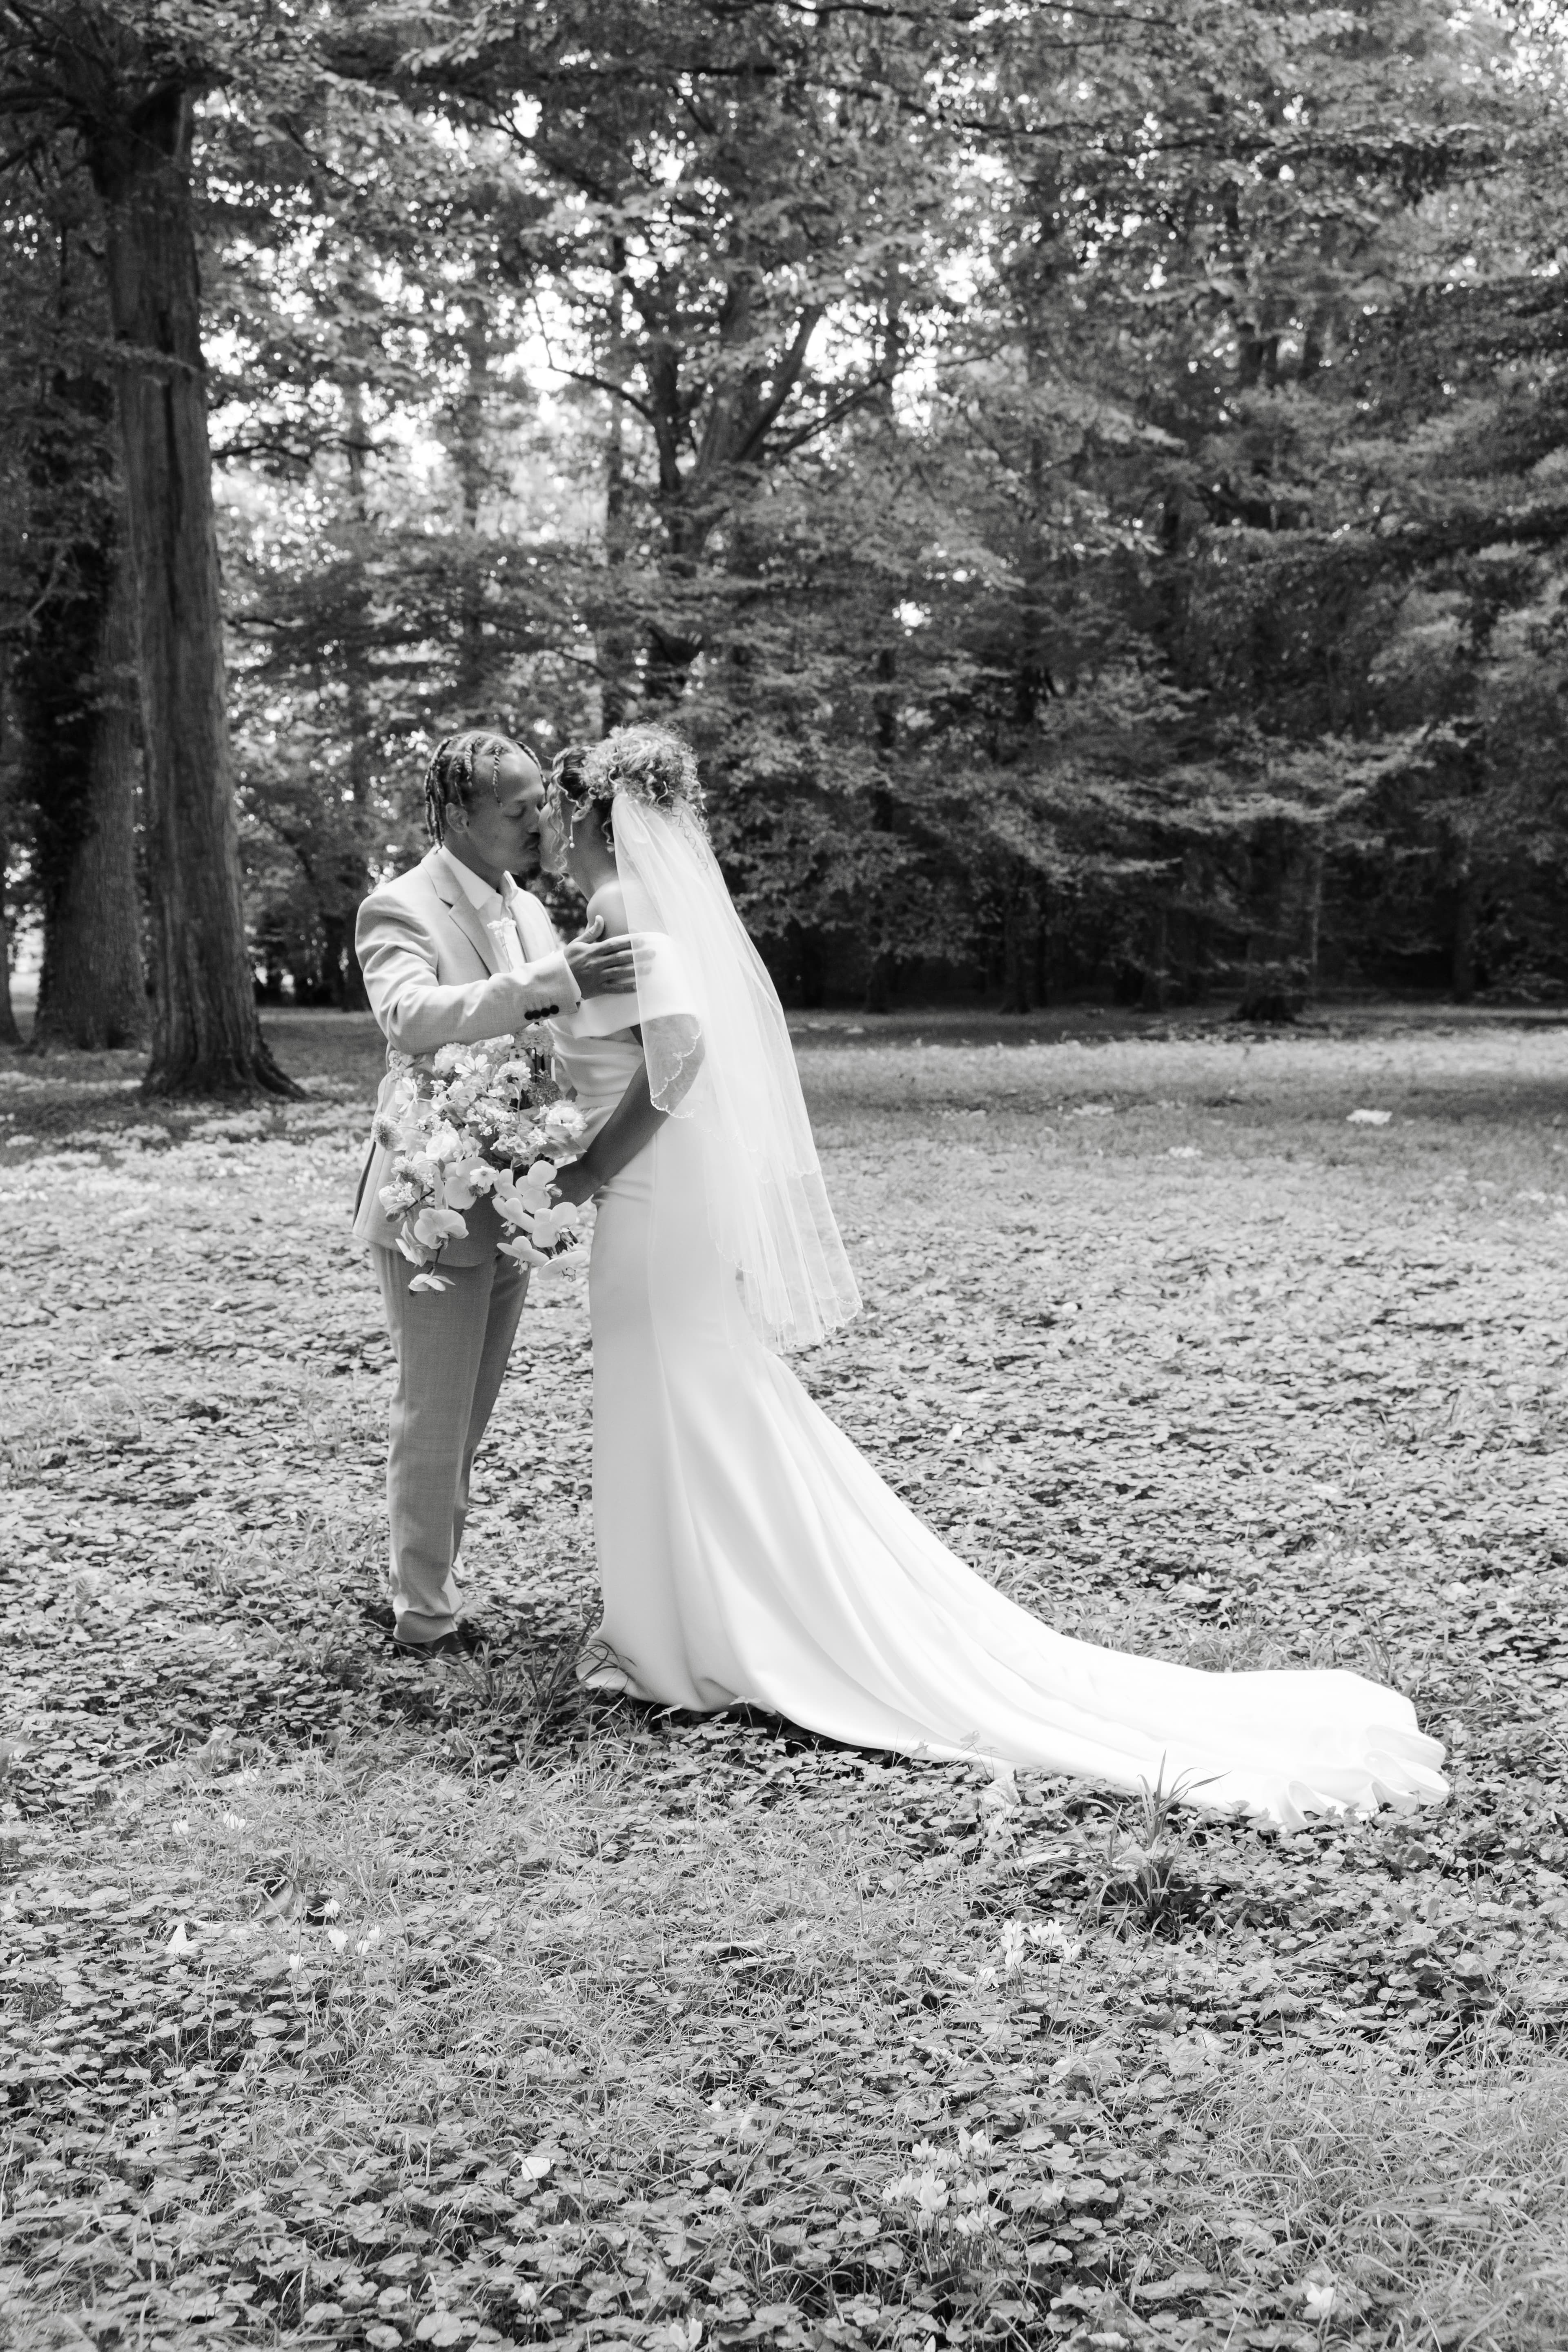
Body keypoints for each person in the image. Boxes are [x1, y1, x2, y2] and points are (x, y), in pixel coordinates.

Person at [540, 724, 1450, 1830]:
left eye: (554, 806)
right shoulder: (621, 917)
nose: (546, 826)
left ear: (593, 813)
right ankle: (693, 1612)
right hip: (656, 1194)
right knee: (685, 1393)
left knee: (679, 1386)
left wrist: (591, 1160)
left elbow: (678, 1058)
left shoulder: (630, 914)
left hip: (648, 1195)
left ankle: (708, 1627)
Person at [352, 729, 642, 1659]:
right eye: (515, 809)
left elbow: (551, 1036)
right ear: (456, 816)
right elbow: (413, 1017)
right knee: (432, 1412)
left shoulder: (531, 906)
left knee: (467, 1411)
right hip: (428, 1197)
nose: (537, 821)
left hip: (510, 1191)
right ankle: (426, 1619)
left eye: (538, 805)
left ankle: (415, 1578)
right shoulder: (397, 907)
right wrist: (548, 982)